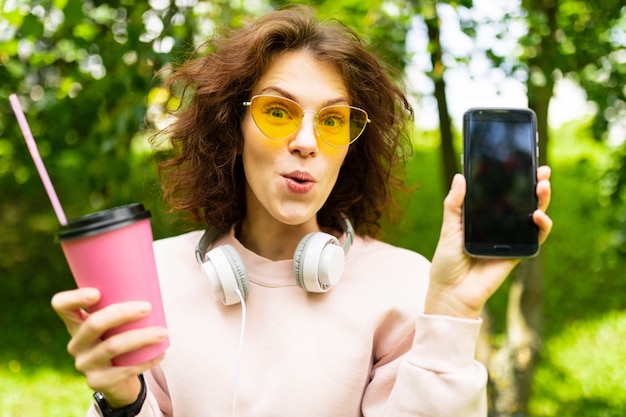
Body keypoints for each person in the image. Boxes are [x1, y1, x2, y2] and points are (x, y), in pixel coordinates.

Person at [51, 5, 553, 417]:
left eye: (333, 120)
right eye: (277, 112)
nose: (308, 142)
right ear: (234, 126)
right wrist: (122, 400)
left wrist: (452, 310)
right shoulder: (154, 277)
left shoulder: (406, 284)